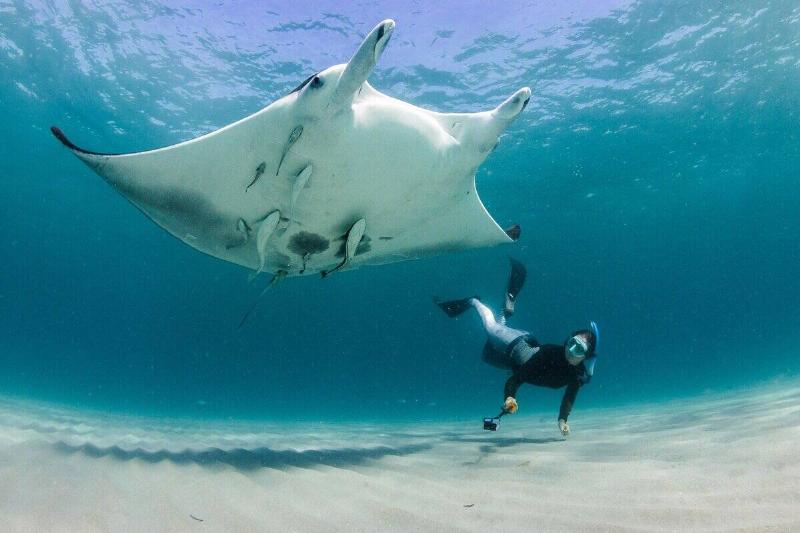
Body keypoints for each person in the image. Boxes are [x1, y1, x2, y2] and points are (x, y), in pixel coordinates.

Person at [436, 258, 599, 436]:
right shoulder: (550, 354)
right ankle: (474, 301)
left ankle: (505, 313)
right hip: (517, 343)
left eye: (578, 349)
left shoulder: (577, 376)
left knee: (486, 355)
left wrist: (562, 420)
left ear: (585, 356)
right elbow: (516, 380)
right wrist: (510, 397)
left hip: (515, 362)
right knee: (491, 328)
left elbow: (569, 398)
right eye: (571, 342)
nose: (570, 349)